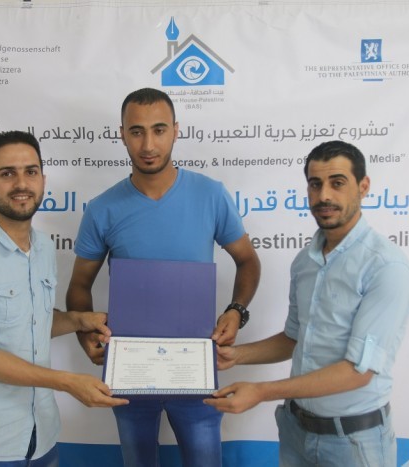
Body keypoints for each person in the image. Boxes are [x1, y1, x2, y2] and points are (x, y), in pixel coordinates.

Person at [66, 88, 261, 467]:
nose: (148, 145)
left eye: (159, 130)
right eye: (136, 131)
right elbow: (79, 286)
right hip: (130, 369)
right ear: (121, 134)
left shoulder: (211, 195)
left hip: (196, 365)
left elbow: (248, 261)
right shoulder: (102, 209)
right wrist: (84, 334)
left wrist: (236, 310)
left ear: (176, 130)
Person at [204, 140, 409, 467]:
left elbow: (358, 372)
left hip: (353, 442)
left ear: (363, 186)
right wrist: (237, 356)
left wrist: (261, 391)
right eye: (315, 184)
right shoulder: (305, 262)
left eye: (337, 183)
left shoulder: (385, 267)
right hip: (296, 431)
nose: (324, 195)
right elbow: (294, 338)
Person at [0, 130, 128, 467]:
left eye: (30, 172)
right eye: (7, 173)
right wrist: (67, 382)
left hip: (42, 435)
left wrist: (79, 320)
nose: (21, 183)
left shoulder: (43, 248)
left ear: (43, 180)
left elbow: (32, 320)